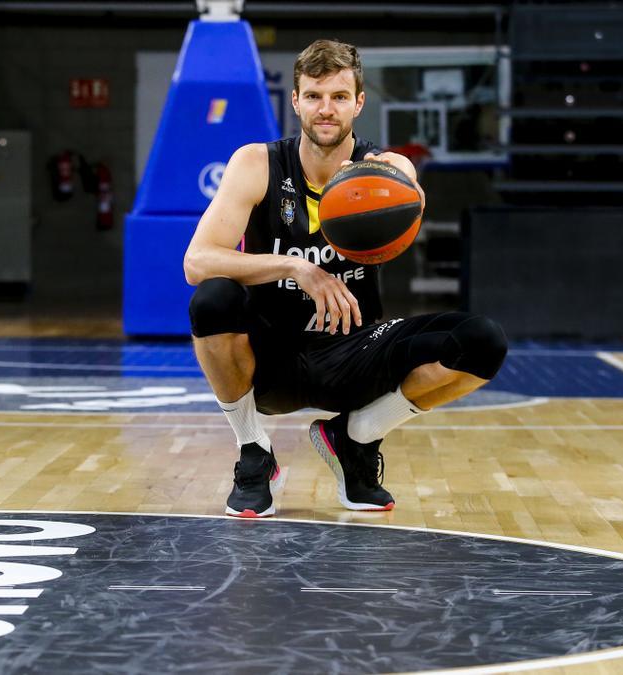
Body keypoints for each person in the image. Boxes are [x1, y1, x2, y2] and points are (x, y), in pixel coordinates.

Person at [183, 39, 507, 517]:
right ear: (295, 102)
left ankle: (356, 436)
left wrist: (377, 187)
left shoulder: (383, 170)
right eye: (314, 96)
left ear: (359, 102)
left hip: (353, 351)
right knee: (211, 299)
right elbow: (197, 261)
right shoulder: (257, 164)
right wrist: (296, 266)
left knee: (482, 341)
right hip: (273, 357)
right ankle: (253, 451)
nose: (326, 109)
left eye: (338, 97)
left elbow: (406, 182)